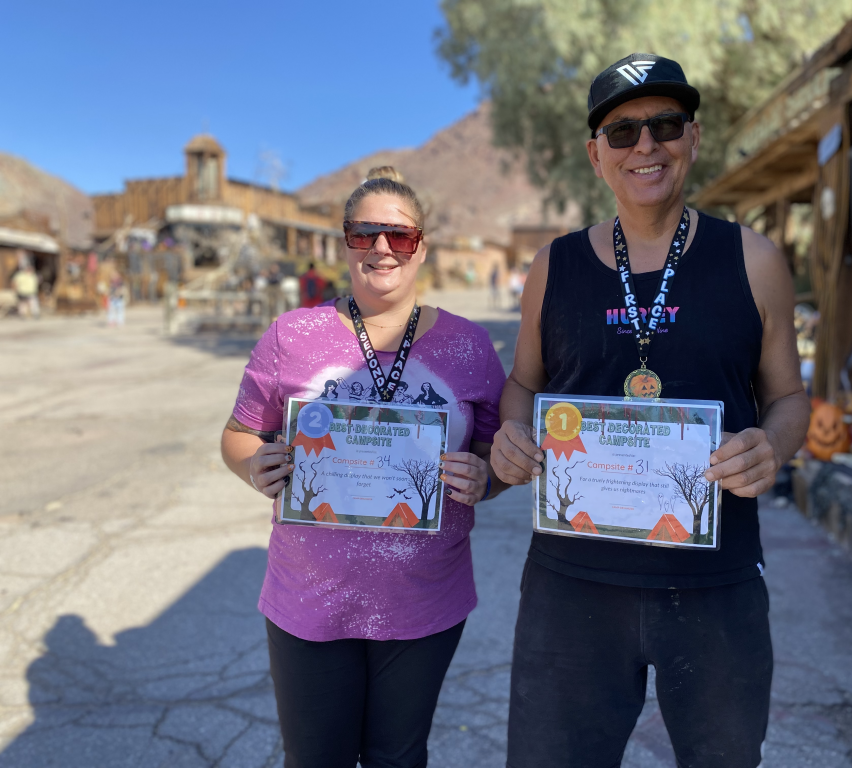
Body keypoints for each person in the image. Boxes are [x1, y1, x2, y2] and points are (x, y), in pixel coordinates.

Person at [490, 53, 810, 768]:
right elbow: (523, 383)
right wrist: (510, 434)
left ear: (692, 138)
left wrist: (772, 445)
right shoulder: (554, 265)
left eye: (664, 125)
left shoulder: (753, 260)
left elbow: (789, 396)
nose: (645, 146)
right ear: (595, 155)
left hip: (714, 580)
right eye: (622, 131)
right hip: (571, 583)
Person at [221, 174, 510, 768]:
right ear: (346, 244)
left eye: (399, 236)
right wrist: (256, 467)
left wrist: (487, 480)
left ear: (420, 247)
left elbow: (495, 454)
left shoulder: (470, 346)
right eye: (365, 233)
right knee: (315, 759)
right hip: (308, 597)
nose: (382, 248)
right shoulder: (290, 336)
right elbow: (239, 434)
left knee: (398, 758)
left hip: (424, 599)